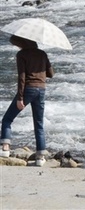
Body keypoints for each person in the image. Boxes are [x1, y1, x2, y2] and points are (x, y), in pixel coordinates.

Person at [0, 35, 54, 166]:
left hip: (28, 90)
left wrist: (20, 98)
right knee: (39, 124)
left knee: (7, 119)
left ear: (22, 43)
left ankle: (5, 147)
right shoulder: (42, 54)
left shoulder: (21, 54)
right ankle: (40, 157)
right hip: (41, 90)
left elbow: (22, 77)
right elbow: (51, 74)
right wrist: (38, 69)